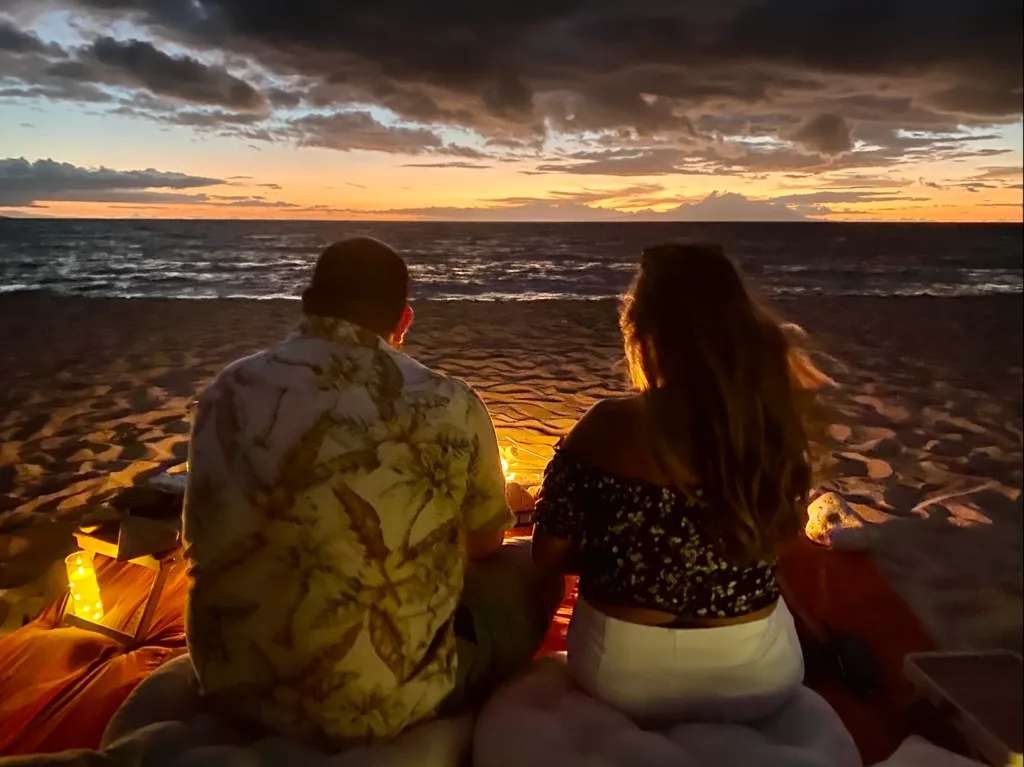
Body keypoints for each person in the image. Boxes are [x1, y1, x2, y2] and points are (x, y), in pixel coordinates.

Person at [184, 237, 563, 746]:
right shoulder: (448, 400)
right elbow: (484, 547)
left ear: (308, 303)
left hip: (228, 683)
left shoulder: (225, 390)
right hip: (378, 705)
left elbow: (202, 536)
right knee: (530, 570)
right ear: (402, 322)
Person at [532, 242, 829, 727]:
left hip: (623, 677)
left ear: (645, 332)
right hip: (756, 678)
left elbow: (546, 555)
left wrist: (631, 553)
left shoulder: (608, 424)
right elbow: (781, 536)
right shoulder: (771, 422)